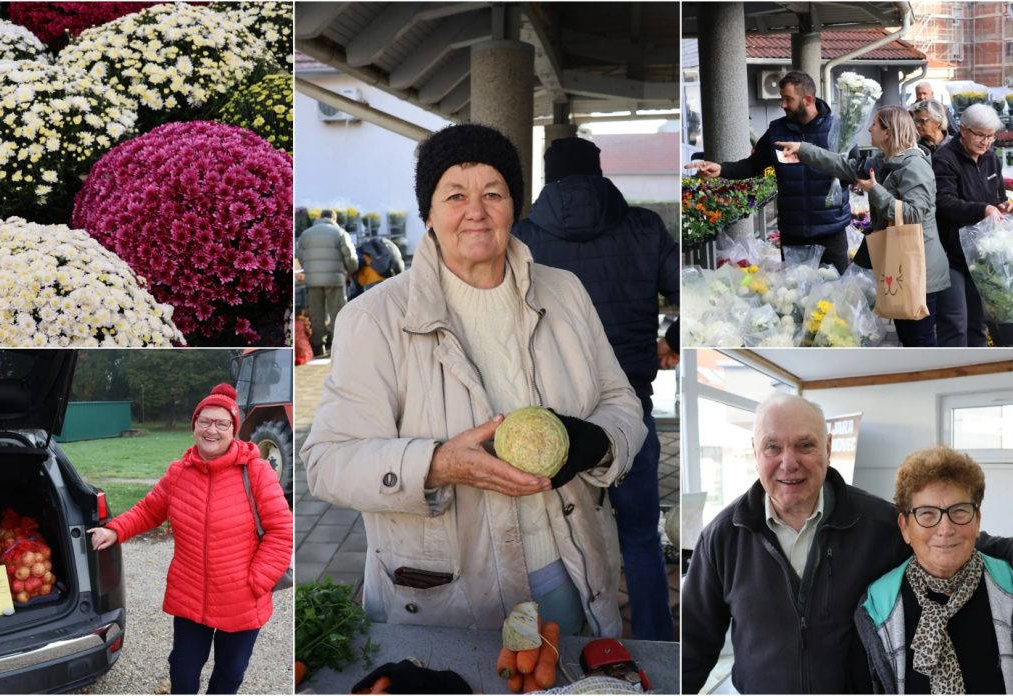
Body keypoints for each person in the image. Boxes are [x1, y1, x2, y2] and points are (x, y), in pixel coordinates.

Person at [301, 123, 647, 637]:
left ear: (515, 205)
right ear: (429, 213)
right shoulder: (373, 318)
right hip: (448, 592)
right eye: (455, 195)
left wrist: (594, 442)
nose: (476, 211)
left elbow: (622, 401)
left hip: (567, 569)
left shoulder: (566, 292)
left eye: (493, 193)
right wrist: (436, 464)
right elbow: (326, 462)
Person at [682, 394, 1013, 694]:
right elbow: (693, 645)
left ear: (827, 447)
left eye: (805, 445)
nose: (788, 462)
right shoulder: (722, 537)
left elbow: (949, 540)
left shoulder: (878, 524)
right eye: (772, 447)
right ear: (754, 451)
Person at [512, 136, 679, 641]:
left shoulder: (523, 237)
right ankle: (652, 642)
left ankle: (575, 644)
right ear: (599, 172)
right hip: (631, 410)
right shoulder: (644, 227)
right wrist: (669, 341)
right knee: (640, 537)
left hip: (551, 421)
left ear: (548, 177)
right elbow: (689, 293)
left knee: (556, 540)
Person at [88, 384, 292, 694]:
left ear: (233, 429)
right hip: (190, 594)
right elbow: (149, 510)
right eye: (205, 421)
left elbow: (281, 531)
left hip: (241, 598)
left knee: (230, 672)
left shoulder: (258, 473)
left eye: (222, 423)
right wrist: (115, 530)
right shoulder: (178, 473)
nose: (212, 430)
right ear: (194, 425)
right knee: (182, 669)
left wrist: (257, 581)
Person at [776, 106, 952, 347]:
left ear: (888, 132)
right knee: (909, 336)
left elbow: (914, 214)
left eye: (875, 124)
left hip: (920, 271)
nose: (870, 128)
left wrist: (875, 190)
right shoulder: (884, 160)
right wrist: (803, 150)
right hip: (902, 264)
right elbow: (843, 165)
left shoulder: (914, 166)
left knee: (919, 339)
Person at [853, 447, 1013, 693]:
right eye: (927, 514)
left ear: (977, 519)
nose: (946, 528)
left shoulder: (1008, 585)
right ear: (905, 527)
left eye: (959, 511)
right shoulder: (876, 607)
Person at [684, 71, 851, 272]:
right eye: (782, 98)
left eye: (788, 99)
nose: (782, 105)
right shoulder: (776, 131)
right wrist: (722, 169)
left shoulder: (840, 130)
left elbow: (853, 170)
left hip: (831, 231)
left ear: (807, 100)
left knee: (838, 294)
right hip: (794, 233)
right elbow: (753, 165)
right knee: (796, 297)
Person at [933, 103, 1013, 347]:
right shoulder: (944, 159)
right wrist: (982, 209)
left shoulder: (990, 158)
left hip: (983, 257)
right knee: (956, 323)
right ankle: (952, 375)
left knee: (980, 323)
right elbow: (944, 203)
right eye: (980, 135)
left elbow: (997, 197)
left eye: (990, 136)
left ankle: (979, 374)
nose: (986, 142)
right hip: (953, 255)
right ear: (963, 129)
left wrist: (1003, 206)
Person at [296, 209, 358, 357]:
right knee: (337, 312)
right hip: (335, 279)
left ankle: (318, 346)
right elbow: (350, 257)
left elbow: (300, 256)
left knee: (317, 313)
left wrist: (310, 269)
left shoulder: (306, 234)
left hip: (313, 281)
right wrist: (351, 270)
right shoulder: (340, 232)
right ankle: (338, 346)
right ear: (334, 218)